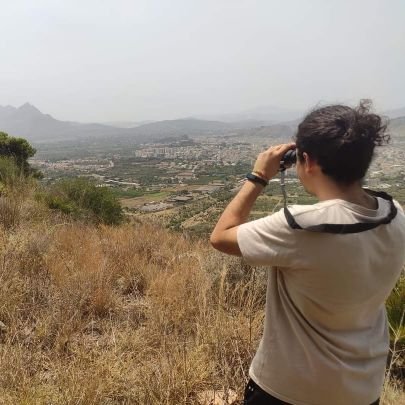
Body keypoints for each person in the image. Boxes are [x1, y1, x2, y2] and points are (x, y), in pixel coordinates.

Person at [210, 100, 405, 405]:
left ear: (308, 161)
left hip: (289, 391)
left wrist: (258, 176)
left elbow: (220, 236)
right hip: (362, 390)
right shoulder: (395, 215)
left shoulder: (302, 227)